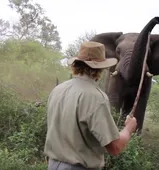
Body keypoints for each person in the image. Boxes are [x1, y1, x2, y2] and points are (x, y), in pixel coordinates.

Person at [44, 41, 137, 170]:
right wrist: (128, 129)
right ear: (100, 68)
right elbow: (115, 147)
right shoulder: (95, 97)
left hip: (53, 165)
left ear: (76, 65)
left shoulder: (58, 90)